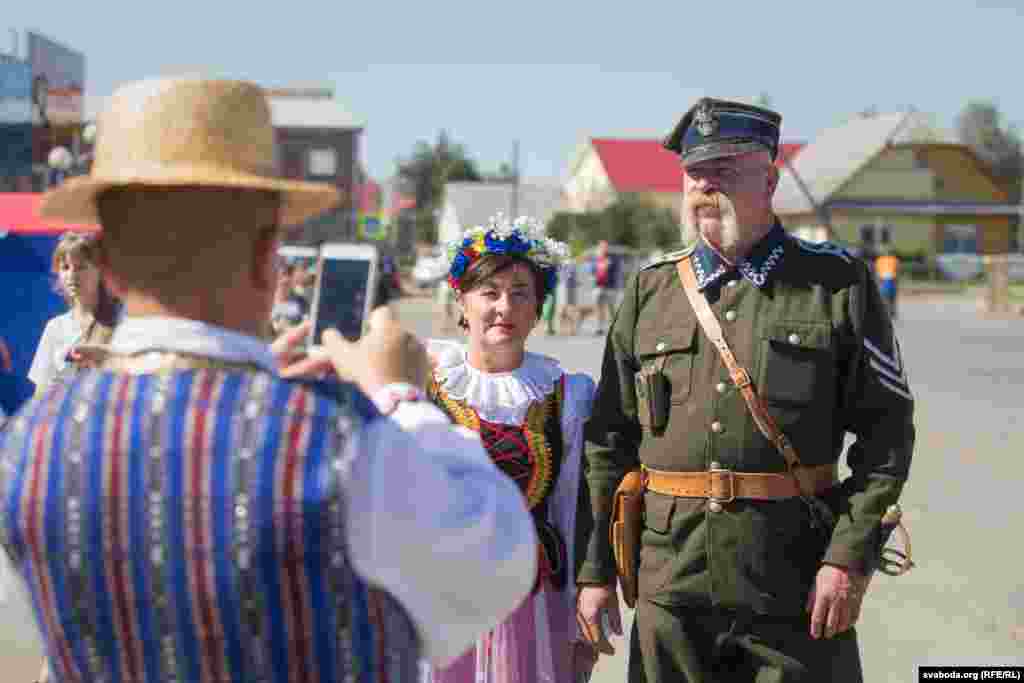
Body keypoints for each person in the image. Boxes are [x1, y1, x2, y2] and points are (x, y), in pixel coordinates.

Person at [0, 76, 538, 683]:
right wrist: (402, 398)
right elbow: (498, 560)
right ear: (267, 258)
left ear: (111, 266)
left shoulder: (27, 448)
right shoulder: (339, 444)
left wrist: (249, 385)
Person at [577, 98, 915, 682]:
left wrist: (848, 558)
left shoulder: (835, 285)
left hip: (794, 582)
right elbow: (608, 442)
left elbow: (886, 437)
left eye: (726, 171)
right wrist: (595, 572)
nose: (706, 186)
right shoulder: (649, 293)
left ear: (771, 179)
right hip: (671, 583)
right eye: (694, 175)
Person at [422, 215, 598, 683]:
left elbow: (572, 506)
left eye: (521, 293)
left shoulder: (567, 396)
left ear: (538, 307)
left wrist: (585, 601)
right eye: (490, 292)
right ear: (462, 300)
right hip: (443, 599)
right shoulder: (425, 383)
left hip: (532, 601)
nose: (505, 306)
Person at [28, 232, 121, 391]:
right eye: (65, 267)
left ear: (101, 271)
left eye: (81, 267)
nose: (71, 275)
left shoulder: (124, 321)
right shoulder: (55, 327)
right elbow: (41, 393)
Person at [589, 240, 619, 336]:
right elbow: (591, 271)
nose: (603, 249)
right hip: (598, 286)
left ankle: (615, 327)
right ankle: (599, 327)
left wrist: (608, 264)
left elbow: (616, 271)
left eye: (605, 247)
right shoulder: (595, 259)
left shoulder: (613, 259)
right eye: (601, 247)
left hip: (610, 287)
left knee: (611, 308)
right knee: (598, 308)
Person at [875, 247, 900, 319]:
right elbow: (897, 270)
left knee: (883, 296)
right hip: (892, 278)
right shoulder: (894, 260)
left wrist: (878, 281)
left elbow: (877, 272)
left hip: (883, 279)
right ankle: (892, 311)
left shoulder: (879, 260)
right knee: (892, 296)